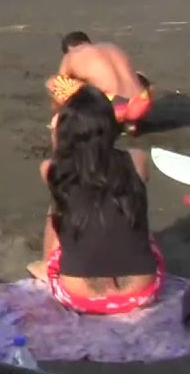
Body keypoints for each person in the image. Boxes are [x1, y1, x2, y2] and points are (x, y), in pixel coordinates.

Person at [26, 85, 165, 316]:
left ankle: (44, 264)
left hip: (78, 297)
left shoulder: (52, 169)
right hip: (142, 294)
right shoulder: (137, 160)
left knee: (59, 205)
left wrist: (57, 135)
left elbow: (67, 161)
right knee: (130, 204)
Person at [45, 31, 153, 135]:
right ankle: (130, 123)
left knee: (53, 83)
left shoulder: (71, 56)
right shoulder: (110, 46)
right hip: (141, 102)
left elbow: (59, 84)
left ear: (68, 49)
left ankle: (60, 121)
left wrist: (57, 114)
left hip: (117, 107)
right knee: (138, 76)